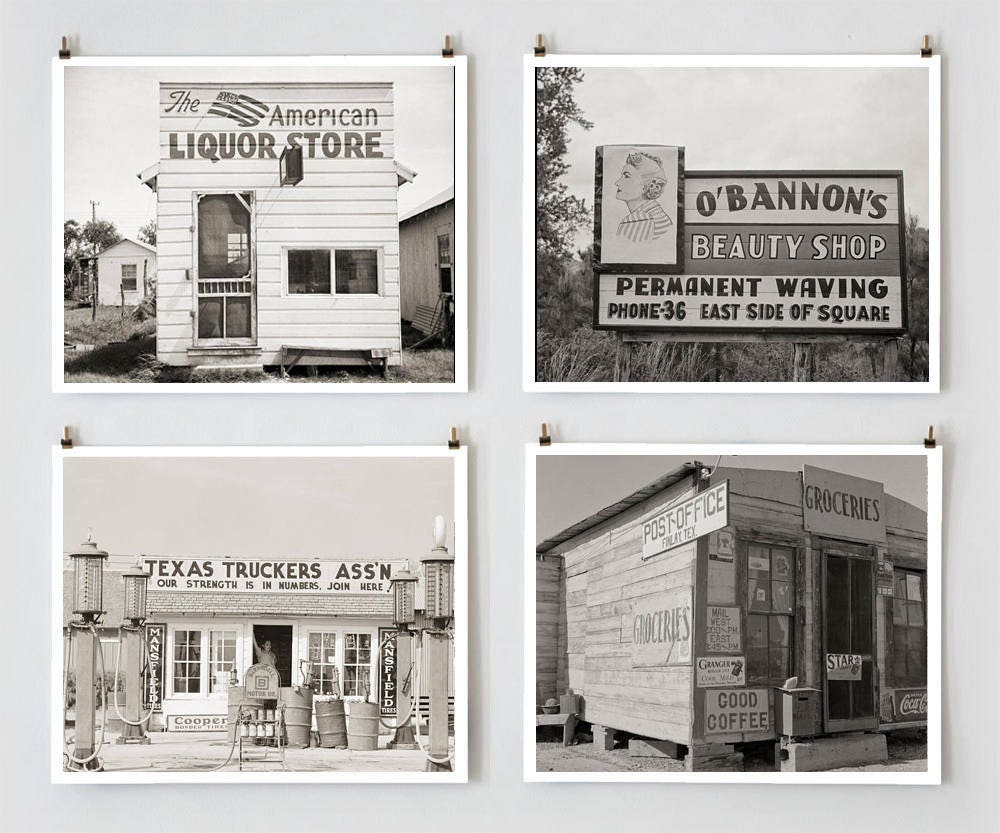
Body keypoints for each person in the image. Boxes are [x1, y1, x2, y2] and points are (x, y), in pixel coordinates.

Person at [615, 150, 672, 243]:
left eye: (626, 176)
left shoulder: (637, 221)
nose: (617, 183)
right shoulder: (655, 213)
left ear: (645, 186)